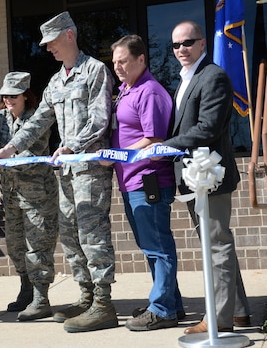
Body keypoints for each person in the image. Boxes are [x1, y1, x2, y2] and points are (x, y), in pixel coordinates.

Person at [0, 11, 117, 333]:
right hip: (66, 174)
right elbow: (39, 121)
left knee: (92, 237)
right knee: (71, 239)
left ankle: (104, 303)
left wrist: (72, 146)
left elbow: (100, 120)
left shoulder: (95, 70)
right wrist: (10, 149)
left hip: (89, 170)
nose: (48, 49)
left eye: (52, 42)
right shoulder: (57, 80)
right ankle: (86, 297)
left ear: (69, 35)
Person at [161, 20, 251, 334]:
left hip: (210, 175)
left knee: (217, 247)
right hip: (193, 179)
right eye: (175, 45)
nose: (181, 49)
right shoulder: (185, 79)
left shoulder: (213, 76)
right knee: (215, 245)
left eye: (188, 42)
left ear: (202, 44)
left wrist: (164, 146)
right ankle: (237, 311)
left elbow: (208, 128)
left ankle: (220, 321)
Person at [102, 34, 183, 331]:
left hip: (148, 181)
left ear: (140, 60)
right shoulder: (126, 90)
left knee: (158, 246)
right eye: (114, 62)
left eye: (123, 61)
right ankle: (168, 303)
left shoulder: (149, 91)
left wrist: (115, 155)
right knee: (150, 246)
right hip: (131, 181)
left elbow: (155, 140)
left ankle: (162, 310)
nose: (118, 67)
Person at [0, 72, 59, 321]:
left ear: (25, 96)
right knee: (16, 246)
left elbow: (31, 152)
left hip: (37, 196)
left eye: (14, 95)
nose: (8, 99)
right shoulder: (1, 118)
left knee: (37, 247)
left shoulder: (36, 119)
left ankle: (41, 298)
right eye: (5, 95)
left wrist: (1, 160)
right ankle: (26, 290)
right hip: (11, 195)